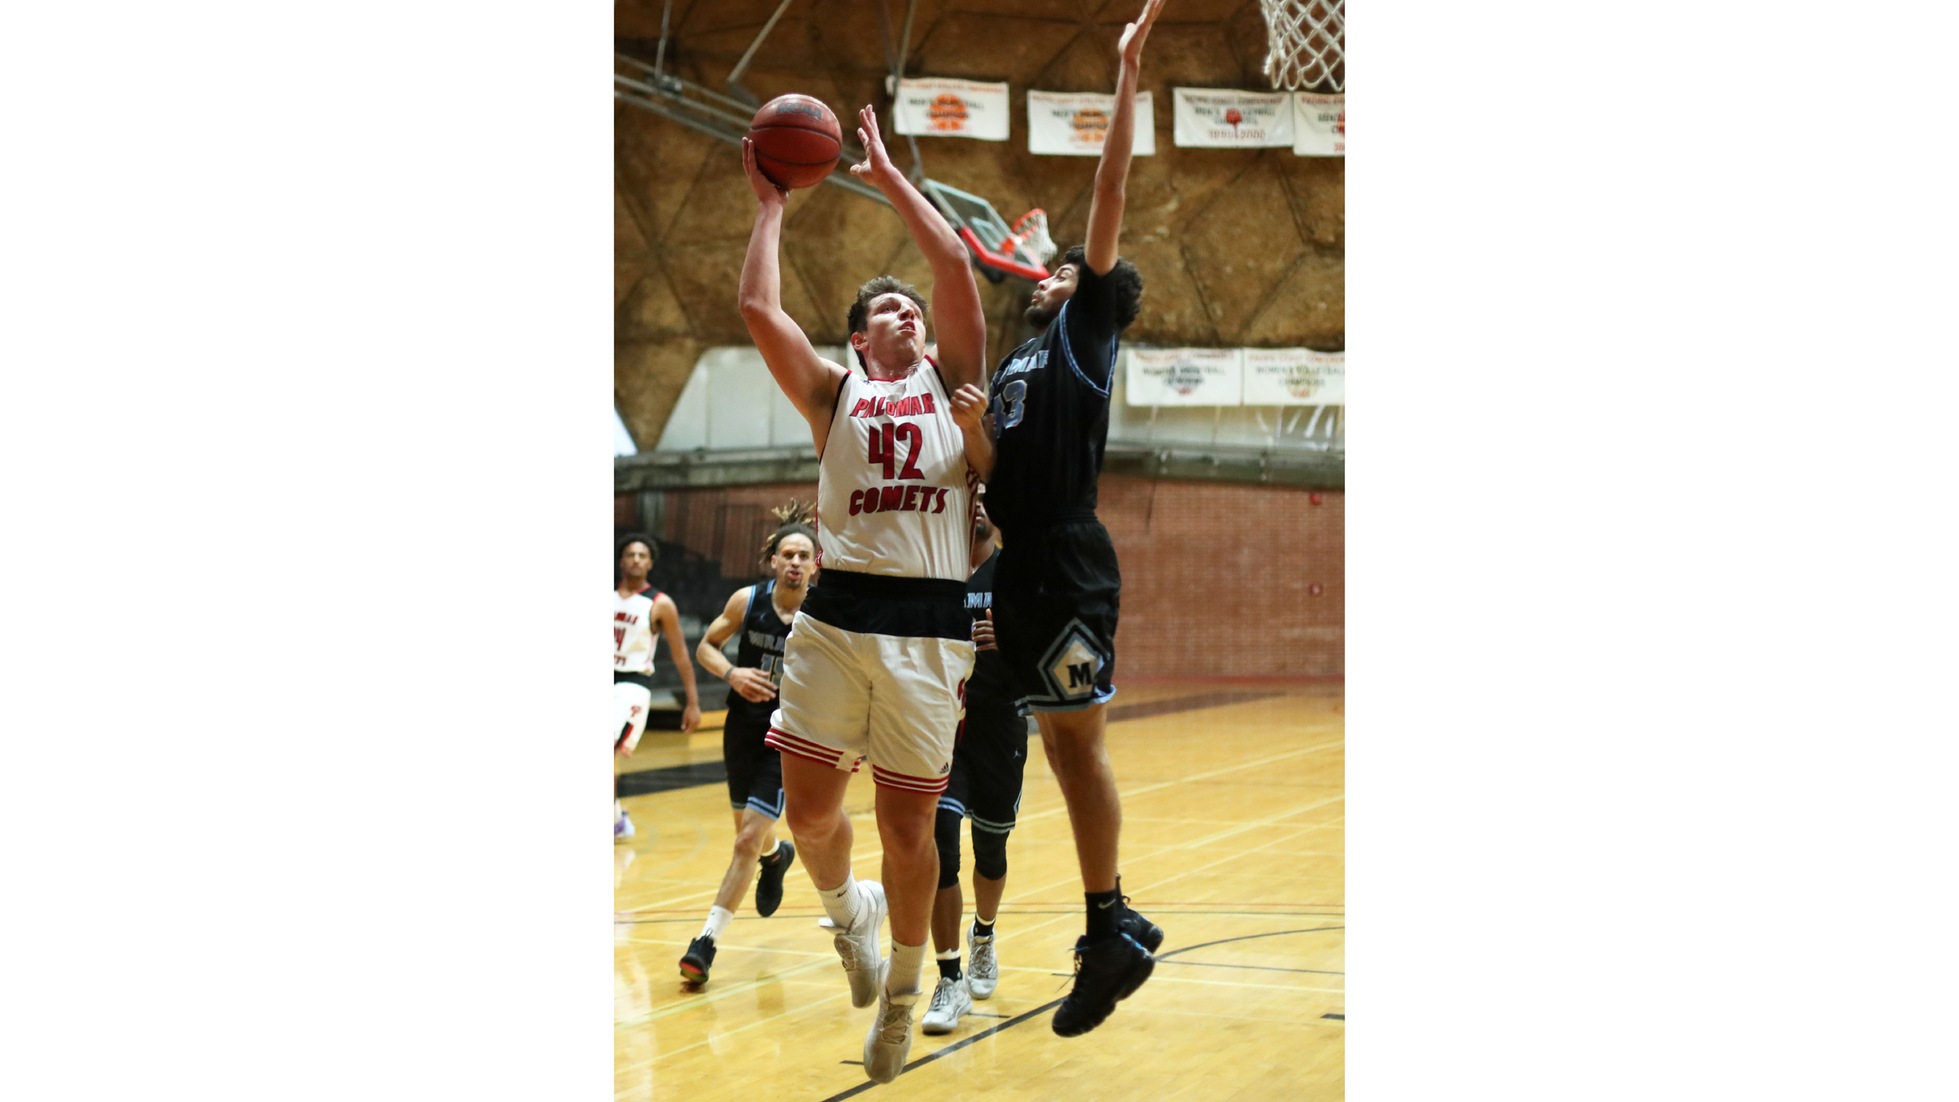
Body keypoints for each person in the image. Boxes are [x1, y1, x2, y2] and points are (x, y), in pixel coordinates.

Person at [738, 102, 993, 1084]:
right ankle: (852, 917)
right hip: (838, 615)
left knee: (907, 824)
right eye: (889, 309)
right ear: (856, 337)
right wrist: (771, 209)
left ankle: (897, 996)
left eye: (912, 309)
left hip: (929, 623)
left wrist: (885, 171)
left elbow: (960, 270)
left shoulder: (950, 380)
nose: (910, 313)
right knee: (807, 818)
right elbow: (762, 313)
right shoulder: (835, 392)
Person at [983, 0, 1168, 1038]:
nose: (1051, 273)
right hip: (1017, 560)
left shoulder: (1084, 331)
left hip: (1065, 556)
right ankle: (1117, 917)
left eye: (1064, 271)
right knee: (1059, 750)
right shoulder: (1020, 354)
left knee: (1078, 748)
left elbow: (1109, 188)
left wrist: (1126, 73)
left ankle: (1106, 927)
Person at [676, 505, 818, 986]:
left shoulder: (825, 610)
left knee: (742, 840)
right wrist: (731, 673)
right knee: (748, 832)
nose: (795, 562)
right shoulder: (747, 600)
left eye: (804, 555)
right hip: (742, 728)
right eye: (787, 554)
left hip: (789, 735)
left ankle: (706, 942)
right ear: (773, 562)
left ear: (816, 564)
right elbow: (705, 647)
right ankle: (775, 857)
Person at [921, 485, 1027, 1035]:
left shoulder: (1016, 574)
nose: (979, 502)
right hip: (942, 727)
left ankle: (983, 933)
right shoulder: (931, 571)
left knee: (991, 846)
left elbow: (1046, 649)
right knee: (941, 836)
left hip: (998, 723)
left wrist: (1010, 644)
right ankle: (949, 977)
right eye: (970, 495)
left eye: (988, 494)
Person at [614, 534, 701, 841]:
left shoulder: (660, 604)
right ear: (621, 560)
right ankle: (616, 819)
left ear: (650, 563)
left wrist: (692, 702)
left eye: (642, 555)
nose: (636, 559)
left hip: (632, 683)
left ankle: (614, 821)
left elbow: (680, 655)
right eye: (630, 554)